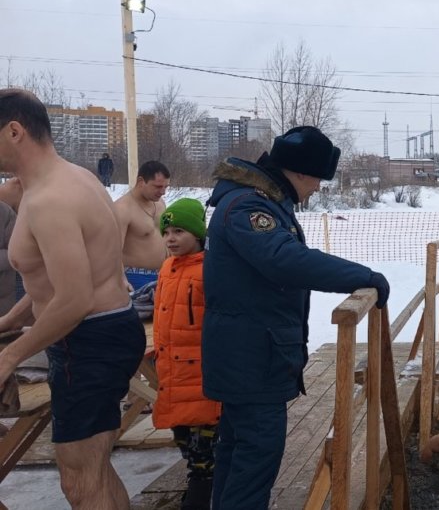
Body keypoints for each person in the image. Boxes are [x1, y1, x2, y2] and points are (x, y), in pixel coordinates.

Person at [202, 125, 392, 509]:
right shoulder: (249, 207)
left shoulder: (259, 202)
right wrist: (362, 277)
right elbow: (285, 260)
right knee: (254, 463)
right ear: (301, 172)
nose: (319, 188)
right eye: (319, 178)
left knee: (237, 459)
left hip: (252, 357)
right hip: (252, 362)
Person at [0, 88, 146, 508]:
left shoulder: (50, 200)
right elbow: (53, 274)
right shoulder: (69, 177)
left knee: (80, 481)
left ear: (14, 131)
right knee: (94, 470)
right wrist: (11, 319)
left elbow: (74, 298)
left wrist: (10, 356)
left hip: (87, 339)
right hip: (103, 332)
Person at [153, 198, 219, 510]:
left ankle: (202, 493)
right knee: (182, 437)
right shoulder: (167, 268)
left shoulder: (210, 269)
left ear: (197, 233)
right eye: (166, 232)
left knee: (204, 445)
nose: (171, 238)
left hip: (201, 372)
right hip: (172, 371)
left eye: (179, 231)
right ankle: (200, 483)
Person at [113, 160, 170, 283]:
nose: (163, 192)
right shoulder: (122, 209)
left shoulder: (160, 204)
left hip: (163, 275)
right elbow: (113, 252)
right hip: (134, 277)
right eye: (158, 186)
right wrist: (121, 279)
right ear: (141, 182)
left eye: (166, 187)